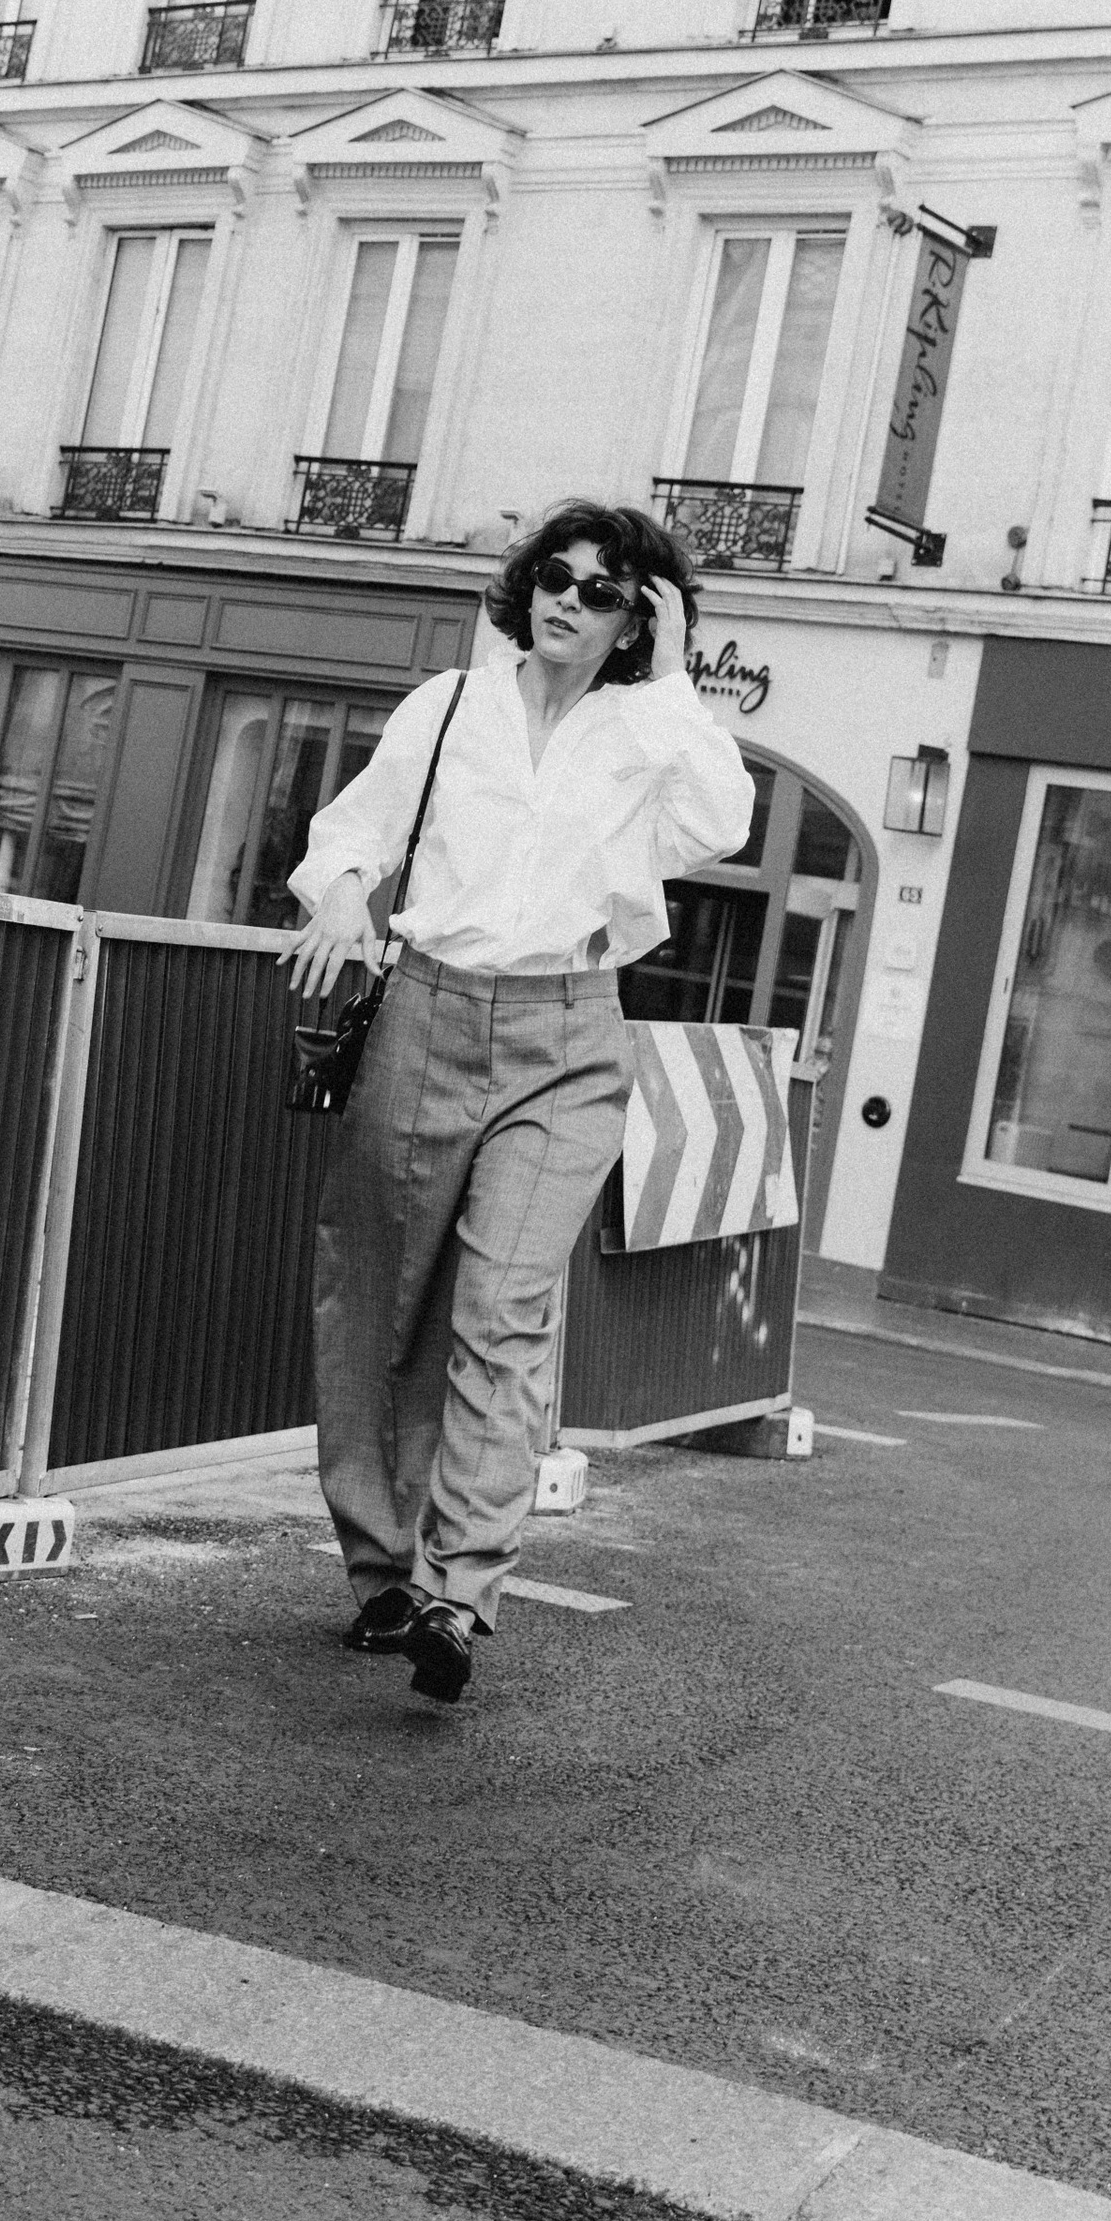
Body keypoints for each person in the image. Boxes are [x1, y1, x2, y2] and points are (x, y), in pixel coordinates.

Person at [284, 500, 755, 1704]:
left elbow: (721, 821)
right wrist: (339, 892)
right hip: (426, 1013)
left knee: (502, 1307)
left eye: (603, 591)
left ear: (635, 619)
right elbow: (353, 831)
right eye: (555, 575)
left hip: (567, 1034)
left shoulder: (644, 732)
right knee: (379, 1300)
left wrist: (674, 674)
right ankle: (382, 1571)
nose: (567, 601)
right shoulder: (450, 706)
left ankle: (458, 1589)